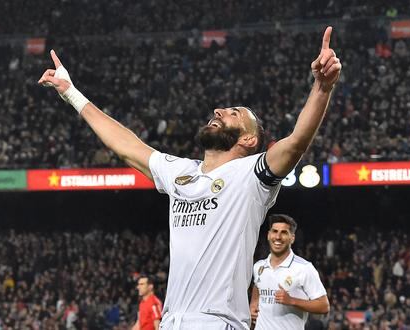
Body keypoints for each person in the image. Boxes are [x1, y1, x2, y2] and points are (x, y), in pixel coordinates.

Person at [38, 26, 341, 330]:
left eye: (234, 113)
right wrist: (71, 93)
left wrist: (322, 87)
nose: (219, 110)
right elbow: (127, 146)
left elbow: (297, 140)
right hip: (172, 322)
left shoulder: (252, 176)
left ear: (249, 140)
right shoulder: (181, 172)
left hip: (217, 323)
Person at [250, 214, 329, 330]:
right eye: (275, 231)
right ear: (268, 235)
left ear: (292, 238)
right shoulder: (259, 266)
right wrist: (253, 304)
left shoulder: (304, 268)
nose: (278, 236)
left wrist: (292, 301)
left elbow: (323, 306)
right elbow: (257, 286)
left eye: (284, 232)